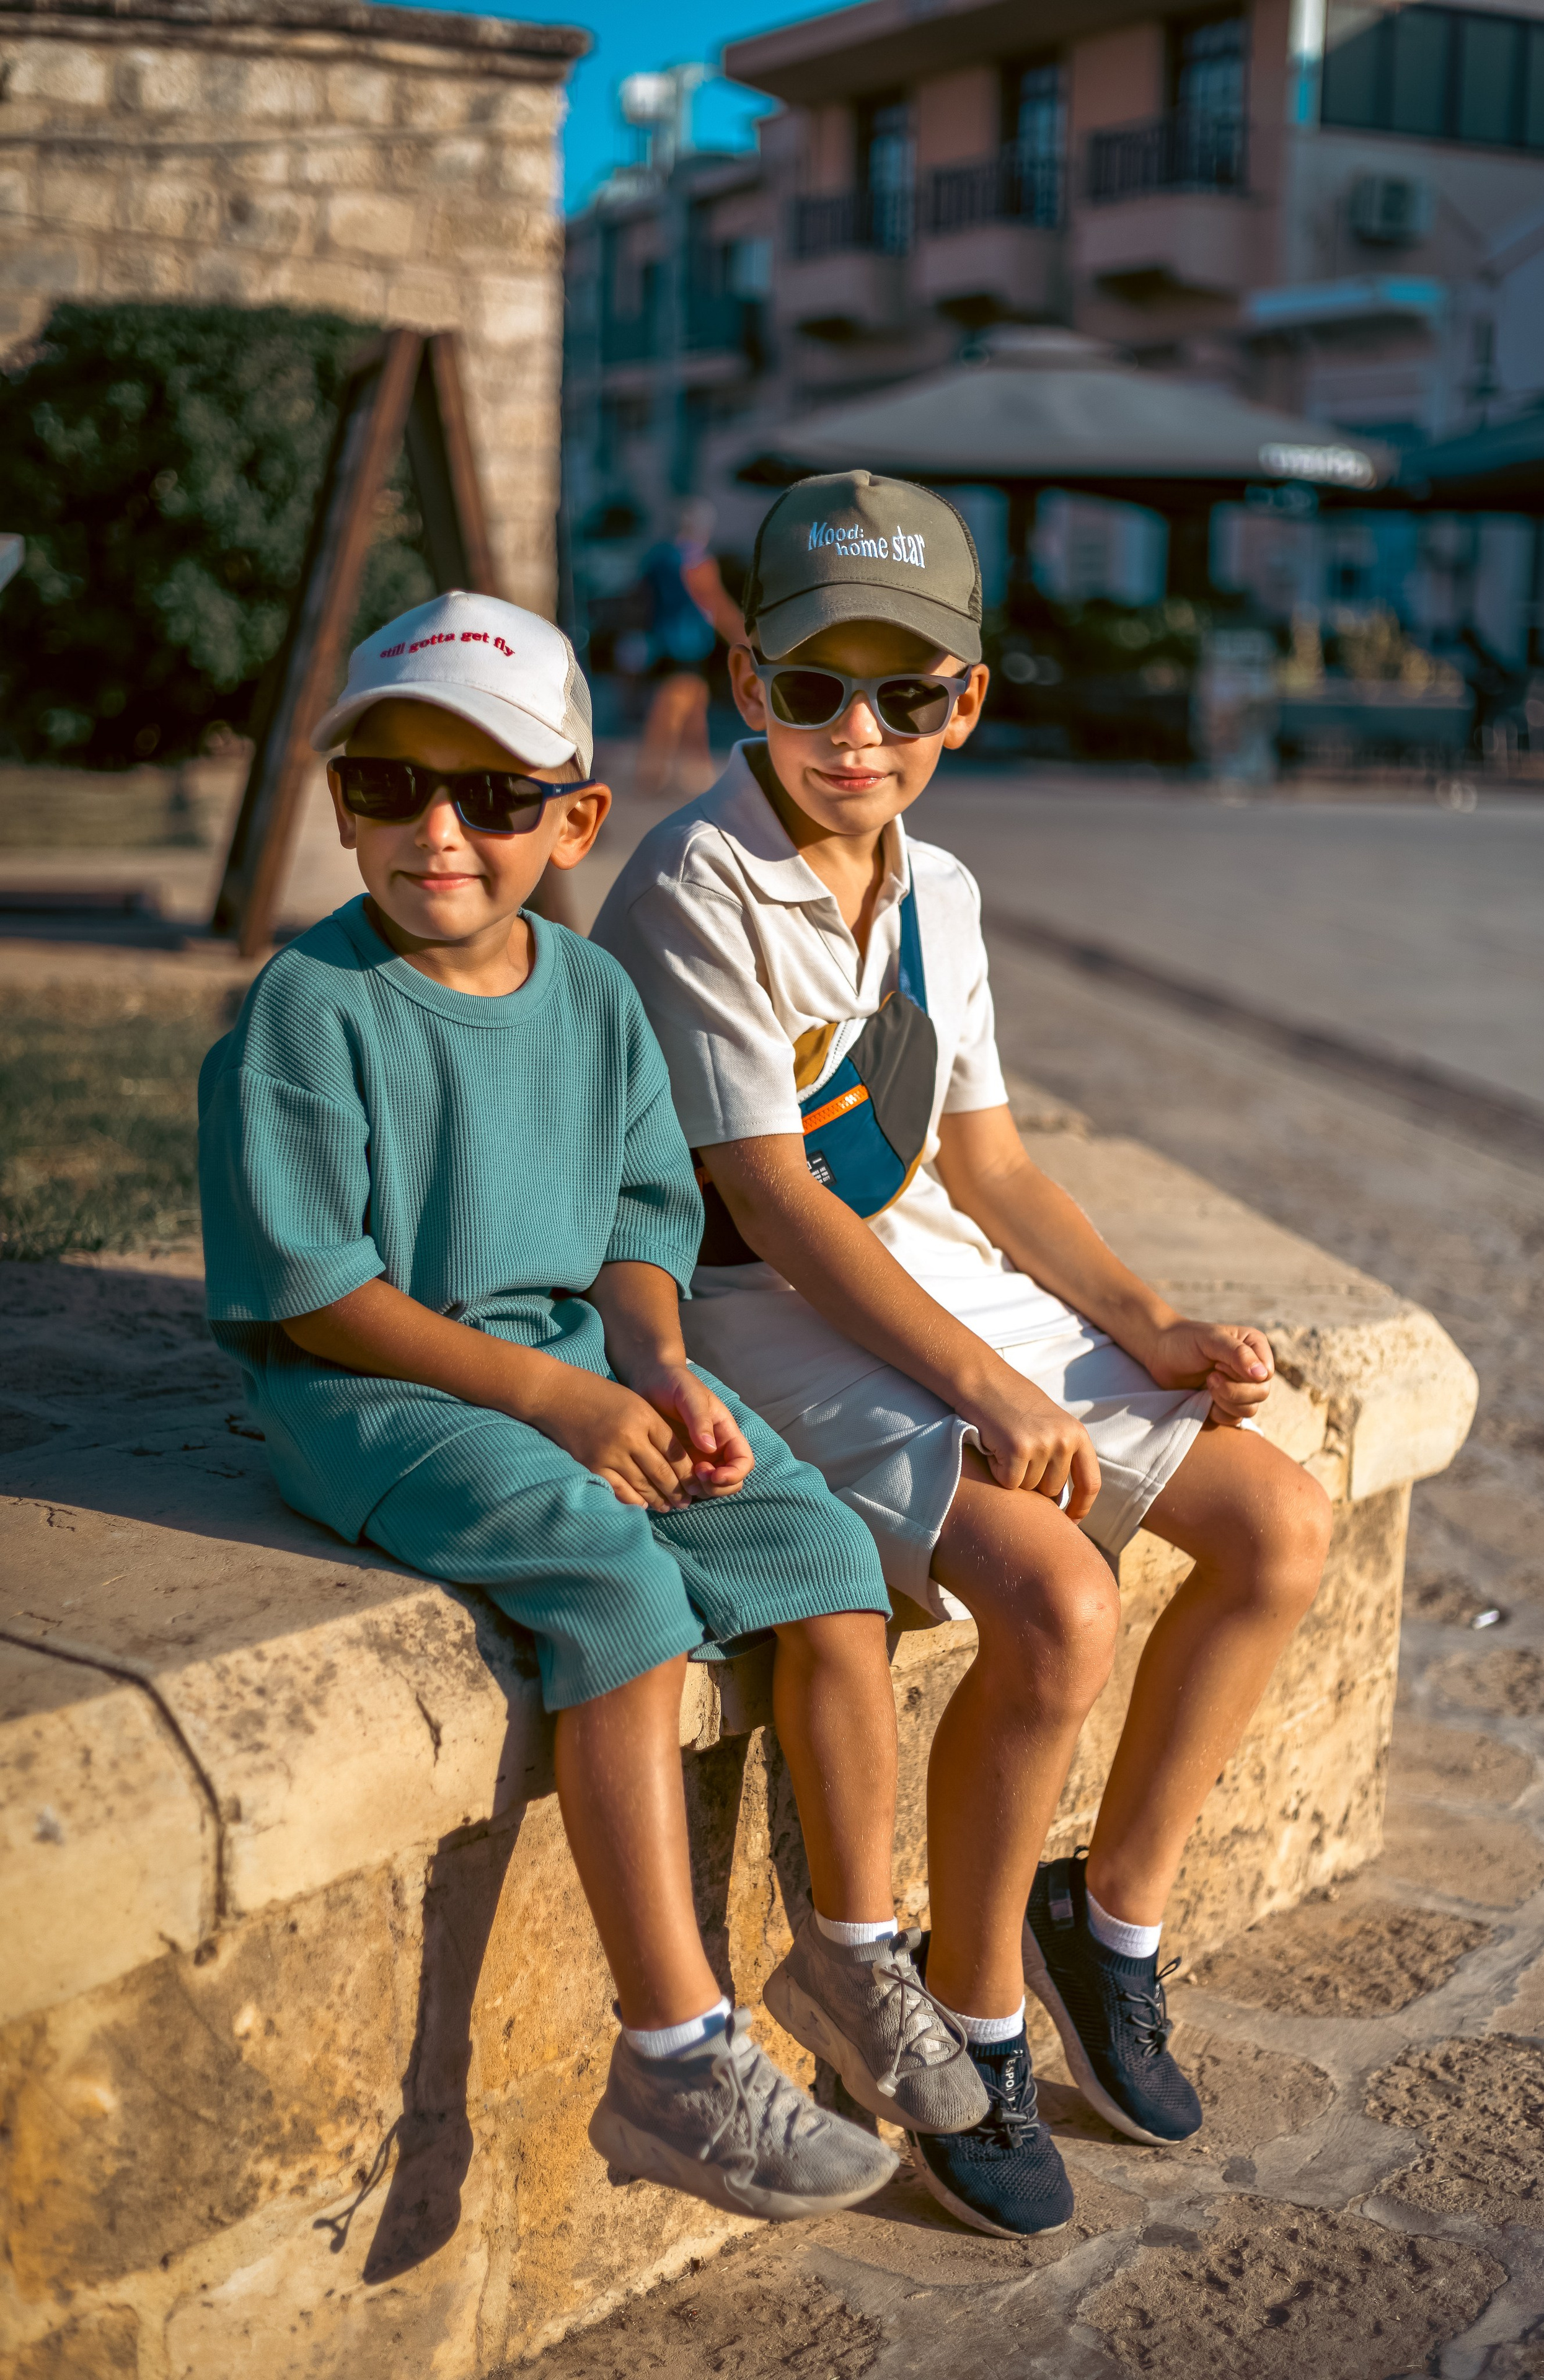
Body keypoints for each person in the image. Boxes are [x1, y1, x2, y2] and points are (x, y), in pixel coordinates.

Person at [591, 474, 1334, 2240]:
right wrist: (992, 1395)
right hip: (756, 1316)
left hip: (924, 1286)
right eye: (816, 687)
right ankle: (976, 2013)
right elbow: (770, 1200)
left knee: (1279, 1530)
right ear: (748, 673)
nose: (861, 733)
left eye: (908, 694)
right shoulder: (704, 877)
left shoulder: (944, 887)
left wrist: (1140, 1326)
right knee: (1062, 1602)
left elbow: (986, 1161)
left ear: (967, 702)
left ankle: (1114, 1918)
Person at [196, 588, 990, 2227]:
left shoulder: (592, 997)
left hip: (575, 1360)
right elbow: (314, 1289)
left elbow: (643, 1228)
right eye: (391, 787)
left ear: (573, 819)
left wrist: (655, 1364)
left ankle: (852, 1954)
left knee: (829, 1563)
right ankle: (674, 2053)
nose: (438, 831)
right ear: (337, 800)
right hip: (383, 1385)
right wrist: (557, 1399)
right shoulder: (309, 1008)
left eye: (492, 798)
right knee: (617, 1590)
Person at [634, 501, 745, 800]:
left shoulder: (659, 557)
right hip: (688, 647)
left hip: (663, 643)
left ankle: (696, 773)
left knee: (694, 708)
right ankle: (655, 773)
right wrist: (745, 639)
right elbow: (715, 602)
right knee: (672, 709)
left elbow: (641, 599)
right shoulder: (698, 561)